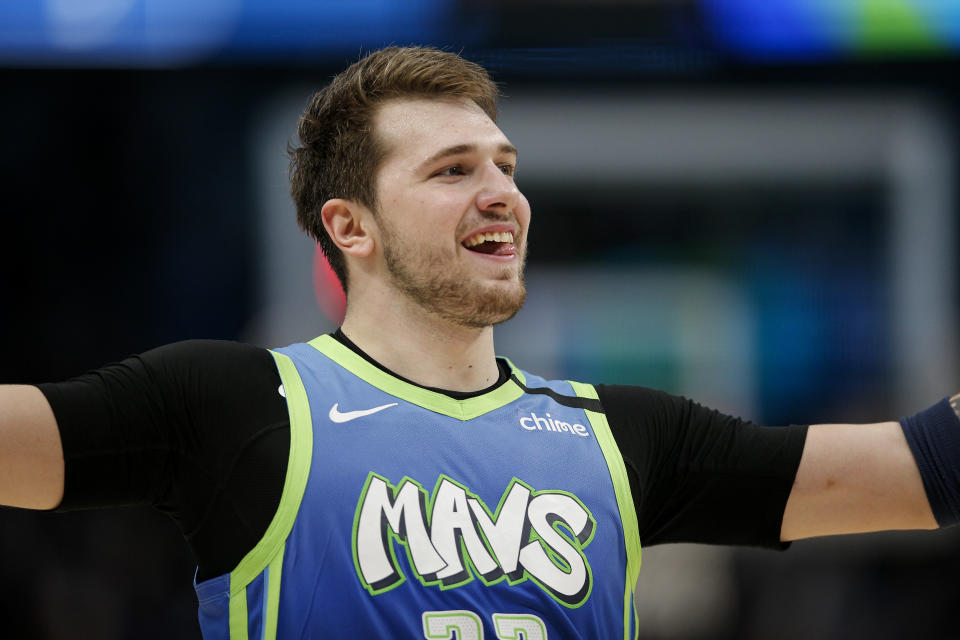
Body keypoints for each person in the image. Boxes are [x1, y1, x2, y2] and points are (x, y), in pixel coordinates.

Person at [0, 45, 956, 639]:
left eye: (504, 165)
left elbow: (917, 470)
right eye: (453, 170)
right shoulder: (237, 403)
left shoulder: (623, 438)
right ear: (351, 227)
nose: (502, 191)